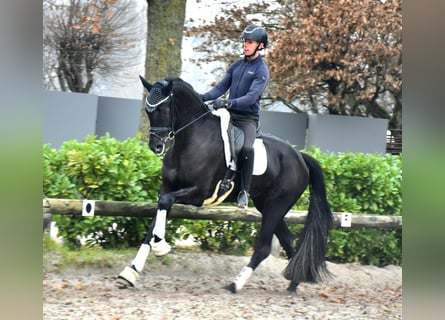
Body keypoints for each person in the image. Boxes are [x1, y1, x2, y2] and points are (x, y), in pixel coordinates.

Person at [201, 25, 270, 209]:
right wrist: (202, 97)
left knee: (247, 149)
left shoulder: (261, 71)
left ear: (260, 46)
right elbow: (220, 88)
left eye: (250, 42)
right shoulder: (237, 66)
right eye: (244, 42)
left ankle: (244, 192)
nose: (245, 46)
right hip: (229, 116)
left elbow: (251, 98)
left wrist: (229, 103)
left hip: (247, 120)